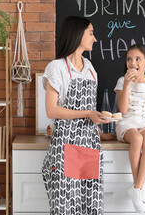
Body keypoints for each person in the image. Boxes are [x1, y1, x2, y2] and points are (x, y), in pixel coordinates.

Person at [42, 16, 113, 215]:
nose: (95, 38)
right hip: (65, 146)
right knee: (65, 207)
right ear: (78, 34)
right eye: (91, 33)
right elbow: (52, 110)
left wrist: (100, 130)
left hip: (89, 145)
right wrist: (88, 114)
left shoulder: (90, 68)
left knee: (90, 206)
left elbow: (89, 110)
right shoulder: (56, 68)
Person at [114, 44, 145, 213]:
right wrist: (127, 84)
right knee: (137, 139)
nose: (132, 62)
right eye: (129, 59)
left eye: (137, 59)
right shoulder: (122, 81)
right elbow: (122, 110)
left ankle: (137, 187)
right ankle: (139, 189)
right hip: (127, 123)